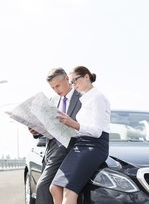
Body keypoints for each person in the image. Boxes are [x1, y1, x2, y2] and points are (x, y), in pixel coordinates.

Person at [49, 66, 110, 204]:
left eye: (75, 81)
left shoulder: (98, 97)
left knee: (70, 191)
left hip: (95, 146)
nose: (73, 85)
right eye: (71, 82)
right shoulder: (84, 99)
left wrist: (73, 123)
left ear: (86, 77)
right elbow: (81, 129)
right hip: (80, 144)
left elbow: (97, 131)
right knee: (55, 187)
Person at [29, 67, 82, 204]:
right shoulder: (52, 100)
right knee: (45, 187)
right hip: (53, 150)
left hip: (74, 149)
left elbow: (88, 125)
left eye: (57, 85)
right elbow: (47, 125)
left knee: (45, 187)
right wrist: (36, 131)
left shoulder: (83, 97)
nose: (56, 90)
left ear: (67, 79)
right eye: (53, 88)